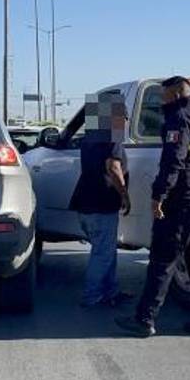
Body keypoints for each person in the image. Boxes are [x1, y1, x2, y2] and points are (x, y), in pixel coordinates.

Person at [117, 76, 190, 338]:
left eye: (163, 97)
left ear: (175, 94)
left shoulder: (180, 116)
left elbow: (174, 160)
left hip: (183, 199)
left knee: (163, 259)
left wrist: (159, 195)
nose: (162, 102)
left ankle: (144, 319)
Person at [68, 94, 133, 308]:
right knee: (102, 253)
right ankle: (92, 296)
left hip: (85, 204)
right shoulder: (112, 138)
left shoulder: (89, 139)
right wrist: (124, 193)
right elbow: (113, 167)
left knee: (105, 250)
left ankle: (110, 292)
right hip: (101, 204)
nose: (125, 122)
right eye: (124, 117)